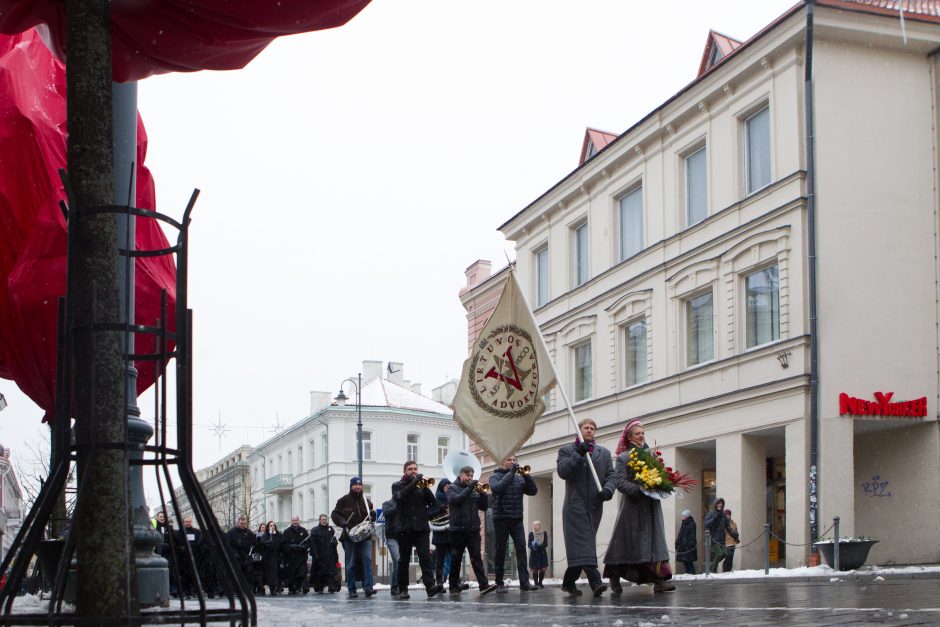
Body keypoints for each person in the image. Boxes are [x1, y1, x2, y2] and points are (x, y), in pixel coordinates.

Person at [602, 419, 675, 593]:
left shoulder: (652, 455)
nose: (641, 436)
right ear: (629, 437)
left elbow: (659, 475)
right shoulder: (623, 458)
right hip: (633, 508)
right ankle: (614, 576)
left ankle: (659, 580)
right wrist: (639, 489)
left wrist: (663, 484)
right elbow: (619, 482)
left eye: (643, 433)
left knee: (655, 543)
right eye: (637, 433)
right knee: (627, 543)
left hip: (651, 506)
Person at [556, 417, 616, 597]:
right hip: (575, 506)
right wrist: (578, 454)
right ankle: (595, 582)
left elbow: (611, 475)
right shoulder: (567, 450)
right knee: (584, 544)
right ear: (579, 430)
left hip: (595, 506)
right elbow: (563, 472)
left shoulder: (604, 453)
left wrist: (608, 490)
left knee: (583, 546)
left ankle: (568, 582)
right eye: (586, 428)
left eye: (592, 428)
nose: (589, 430)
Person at [391, 461, 444, 600]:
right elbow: (399, 497)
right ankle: (403, 589)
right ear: (404, 471)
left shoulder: (423, 487)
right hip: (404, 528)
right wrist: (414, 483)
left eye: (415, 469)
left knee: (425, 559)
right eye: (410, 469)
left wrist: (427, 516)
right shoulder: (397, 485)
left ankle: (430, 587)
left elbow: (434, 504)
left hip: (421, 528)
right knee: (404, 560)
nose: (413, 471)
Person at [446, 465, 498, 596]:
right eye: (468, 475)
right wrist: (469, 488)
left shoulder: (474, 490)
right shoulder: (452, 488)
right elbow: (456, 501)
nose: (470, 478)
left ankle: (483, 585)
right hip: (457, 529)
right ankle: (453, 586)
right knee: (456, 558)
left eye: (471, 475)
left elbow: (484, 507)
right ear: (461, 475)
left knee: (476, 558)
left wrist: (483, 494)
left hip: (473, 529)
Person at [490, 455, 538, 592]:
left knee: (521, 549)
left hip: (517, 518)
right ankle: (499, 583)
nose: (512, 462)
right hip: (501, 518)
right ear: (502, 462)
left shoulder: (519, 478)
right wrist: (511, 473)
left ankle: (524, 582)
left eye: (514, 460)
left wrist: (526, 476)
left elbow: (533, 491)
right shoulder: (495, 477)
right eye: (509, 460)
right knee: (500, 550)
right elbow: (497, 489)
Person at [331, 476, 376, 598]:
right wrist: (342, 522)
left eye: (360, 485)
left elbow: (371, 518)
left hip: (365, 536)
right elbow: (334, 514)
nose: (358, 487)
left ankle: (368, 587)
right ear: (351, 486)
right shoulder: (343, 501)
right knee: (350, 562)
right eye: (355, 485)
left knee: (367, 560)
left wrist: (373, 515)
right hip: (349, 536)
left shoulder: (367, 502)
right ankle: (352, 588)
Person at [174, 516, 203, 598]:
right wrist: (181, 548)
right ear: (183, 522)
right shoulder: (179, 533)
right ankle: (187, 591)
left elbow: (199, 543)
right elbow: (176, 545)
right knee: (184, 575)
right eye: (186, 521)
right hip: (183, 557)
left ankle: (194, 591)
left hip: (195, 556)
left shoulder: (197, 532)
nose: (188, 523)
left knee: (194, 574)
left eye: (189, 521)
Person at [309, 514, 339, 593]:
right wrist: (315, 554)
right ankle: (319, 587)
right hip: (319, 555)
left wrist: (334, 542)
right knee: (319, 573)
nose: (324, 521)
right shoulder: (315, 530)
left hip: (329, 555)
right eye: (323, 519)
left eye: (325, 519)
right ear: (320, 520)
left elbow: (334, 539)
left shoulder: (331, 529)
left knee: (330, 572)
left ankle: (331, 587)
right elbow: (312, 544)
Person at [431, 478, 453, 589]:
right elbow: (430, 515)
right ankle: (439, 582)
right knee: (440, 561)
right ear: (441, 487)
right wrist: (441, 510)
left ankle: (454, 581)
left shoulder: (453, 498)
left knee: (454, 560)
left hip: (452, 533)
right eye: (446, 486)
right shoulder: (435, 500)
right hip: (440, 534)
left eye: (450, 486)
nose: (448, 488)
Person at [281, 515, 310, 594]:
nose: (294, 522)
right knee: (291, 574)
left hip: (301, 557)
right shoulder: (287, 532)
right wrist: (291, 546)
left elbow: (308, 542)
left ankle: (303, 587)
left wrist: (303, 547)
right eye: (293, 520)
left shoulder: (303, 531)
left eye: (296, 520)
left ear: (298, 521)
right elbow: (283, 544)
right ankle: (292, 588)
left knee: (302, 573)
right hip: (291, 558)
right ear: (291, 521)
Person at [225, 515, 255, 588]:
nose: (243, 525)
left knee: (247, 573)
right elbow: (228, 544)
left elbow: (253, 542)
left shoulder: (248, 532)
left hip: (246, 556)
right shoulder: (231, 532)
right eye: (241, 523)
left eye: (244, 524)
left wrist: (251, 551)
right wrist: (234, 553)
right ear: (238, 523)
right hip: (236, 556)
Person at [381, 498, 401, 597]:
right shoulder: (387, 503)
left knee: (399, 563)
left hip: (402, 536)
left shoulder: (405, 502)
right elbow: (386, 512)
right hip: (391, 536)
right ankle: (395, 586)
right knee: (398, 560)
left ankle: (396, 586)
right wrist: (398, 505)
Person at [704, 497, 729, 573]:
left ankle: (712, 566)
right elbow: (706, 524)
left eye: (721, 503)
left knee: (725, 554)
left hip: (722, 538)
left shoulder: (723, 514)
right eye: (718, 503)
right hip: (714, 538)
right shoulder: (711, 513)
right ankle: (713, 569)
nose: (720, 505)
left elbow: (727, 526)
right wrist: (713, 519)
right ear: (715, 504)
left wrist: (734, 534)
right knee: (719, 553)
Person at [258, 521, 283, 595]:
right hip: (268, 558)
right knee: (270, 574)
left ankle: (277, 587)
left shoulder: (279, 535)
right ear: (268, 527)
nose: (272, 527)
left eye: (273, 525)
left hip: (277, 557)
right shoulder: (265, 535)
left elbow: (281, 545)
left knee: (277, 573)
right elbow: (262, 545)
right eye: (270, 525)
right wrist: (267, 544)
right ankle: (272, 588)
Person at [675, 509, 698, 575]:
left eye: (683, 515)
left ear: (687, 516)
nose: (682, 517)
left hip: (688, 545)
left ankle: (692, 573)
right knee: (684, 560)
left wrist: (691, 544)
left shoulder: (692, 523)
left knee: (689, 561)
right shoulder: (684, 522)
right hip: (683, 545)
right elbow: (680, 533)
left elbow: (692, 535)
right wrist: (677, 542)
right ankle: (687, 572)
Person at [528, 521, 549, 589]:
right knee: (535, 569)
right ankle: (536, 583)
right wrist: (533, 547)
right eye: (533, 525)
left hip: (542, 553)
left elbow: (545, 544)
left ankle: (540, 582)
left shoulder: (544, 533)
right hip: (534, 554)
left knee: (542, 569)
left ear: (540, 526)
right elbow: (529, 544)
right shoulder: (531, 534)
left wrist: (538, 547)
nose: (535, 527)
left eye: (536, 525)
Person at [252, 523, 267, 594]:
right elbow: (255, 545)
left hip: (265, 556)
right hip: (258, 556)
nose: (263, 529)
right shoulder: (257, 535)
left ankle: (260, 587)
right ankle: (258, 587)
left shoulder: (268, 536)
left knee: (263, 573)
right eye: (262, 527)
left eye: (264, 527)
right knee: (257, 573)